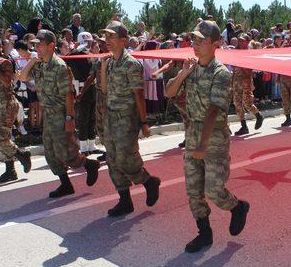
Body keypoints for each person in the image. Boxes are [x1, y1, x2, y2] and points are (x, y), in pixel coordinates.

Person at [166, 21, 250, 252]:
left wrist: (203, 144)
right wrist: (183, 73)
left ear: (216, 44)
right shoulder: (191, 69)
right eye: (194, 39)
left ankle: (237, 207)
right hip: (193, 132)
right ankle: (204, 233)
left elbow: (214, 109)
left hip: (212, 137)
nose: (196, 44)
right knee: (193, 189)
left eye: (202, 40)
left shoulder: (221, 73)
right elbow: (169, 92)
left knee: (213, 189)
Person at [19, 29, 100, 197]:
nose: (37, 48)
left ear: (51, 45)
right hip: (48, 114)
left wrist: (69, 118)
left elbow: (68, 94)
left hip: (60, 114)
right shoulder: (40, 65)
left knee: (66, 152)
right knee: (50, 152)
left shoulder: (59, 66)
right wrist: (32, 61)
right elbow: (23, 77)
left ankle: (89, 164)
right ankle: (66, 184)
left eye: (39, 45)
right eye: (34, 46)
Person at [98, 21, 161, 216]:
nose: (107, 40)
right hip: (111, 117)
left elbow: (138, 96)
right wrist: (103, 67)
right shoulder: (110, 62)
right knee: (112, 159)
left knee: (126, 159)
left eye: (111, 36)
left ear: (124, 40)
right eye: (106, 36)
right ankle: (125, 200)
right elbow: (105, 90)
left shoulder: (131, 64)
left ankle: (148, 181)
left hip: (126, 119)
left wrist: (144, 122)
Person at [0, 35, 32, 183]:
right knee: (4, 137)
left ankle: (21, 155)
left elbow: (7, 82)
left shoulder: (4, 63)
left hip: (7, 103)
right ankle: (10, 171)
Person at [231, 33, 263, 135]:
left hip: (245, 81)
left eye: (242, 40)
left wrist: (241, 62)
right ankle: (244, 126)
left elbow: (249, 71)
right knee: (237, 103)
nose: (239, 42)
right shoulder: (236, 51)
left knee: (247, 103)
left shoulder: (248, 54)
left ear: (248, 42)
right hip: (236, 80)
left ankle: (258, 116)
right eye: (239, 40)